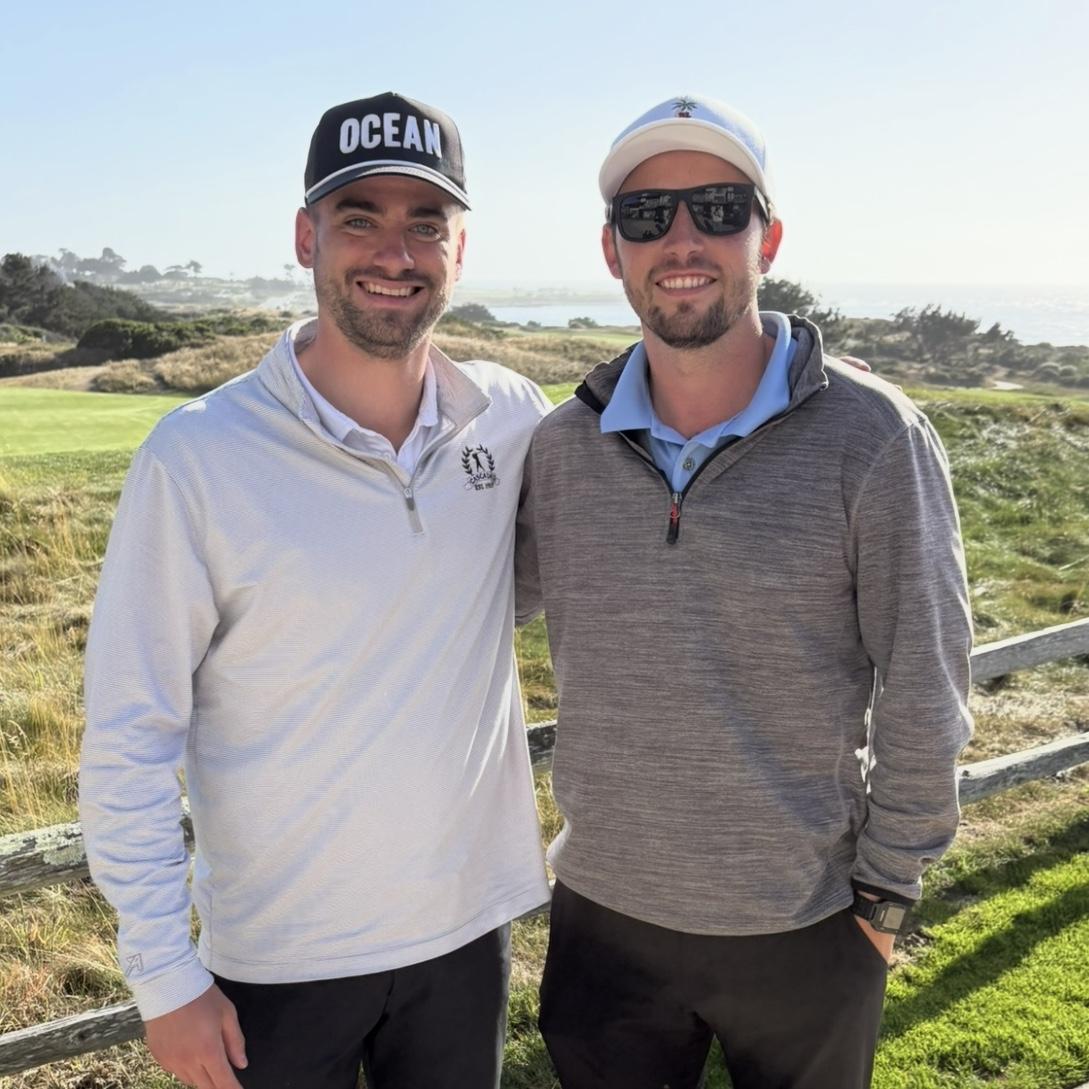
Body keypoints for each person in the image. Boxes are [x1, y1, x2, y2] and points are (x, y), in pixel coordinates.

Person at [78, 92, 551, 1089]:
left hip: (466, 937)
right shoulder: (197, 455)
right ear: (306, 237)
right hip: (277, 962)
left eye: (426, 223)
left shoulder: (509, 418)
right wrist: (163, 976)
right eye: (358, 219)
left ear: (460, 250)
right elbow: (129, 728)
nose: (395, 253)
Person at [519, 94, 974, 1089]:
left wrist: (884, 901)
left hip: (808, 928)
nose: (681, 240)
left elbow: (927, 686)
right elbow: (450, 606)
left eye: (719, 209)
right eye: (647, 216)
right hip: (602, 922)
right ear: (611, 250)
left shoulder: (874, 436)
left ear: (767, 238)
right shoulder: (559, 448)